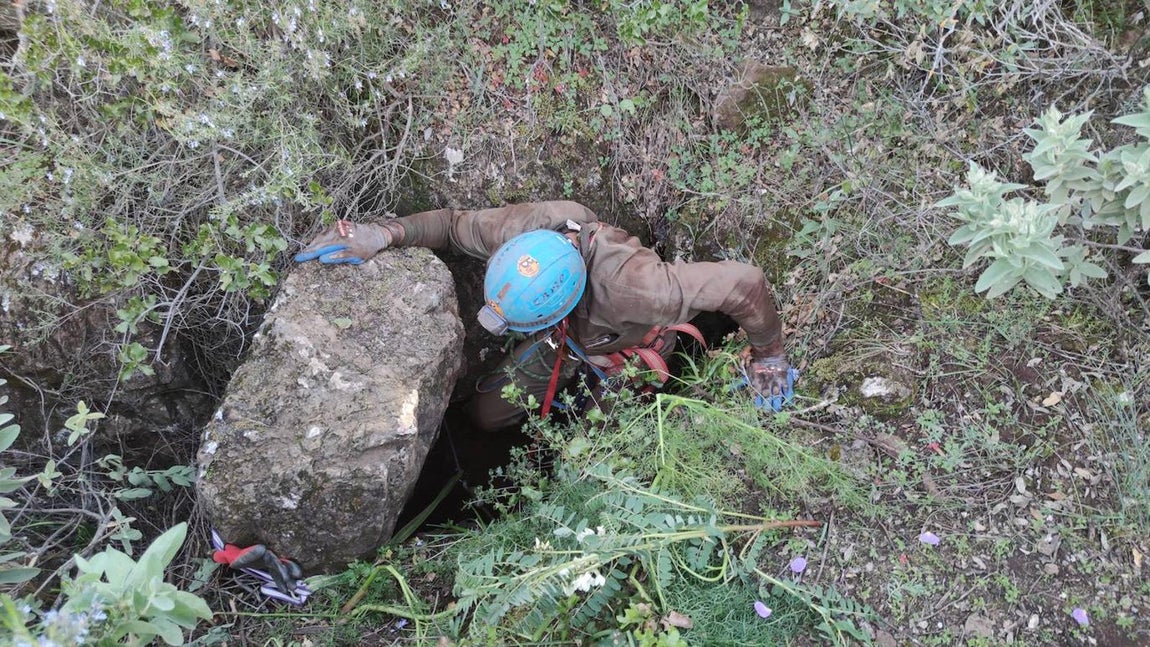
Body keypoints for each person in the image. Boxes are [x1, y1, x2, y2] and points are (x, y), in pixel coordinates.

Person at [294, 201, 794, 431]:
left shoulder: (641, 290)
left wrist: (769, 356)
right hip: (566, 340)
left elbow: (743, 282)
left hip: (626, 343)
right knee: (486, 417)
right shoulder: (525, 233)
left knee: (601, 443)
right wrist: (382, 234)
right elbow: (448, 224)